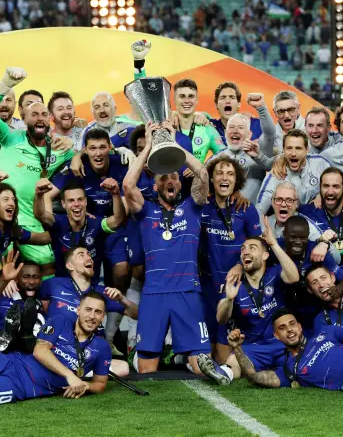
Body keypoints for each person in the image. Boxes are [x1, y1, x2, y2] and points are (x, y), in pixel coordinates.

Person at [122, 121, 229, 380]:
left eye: (174, 177)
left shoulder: (192, 208)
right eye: (163, 178)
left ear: (180, 184)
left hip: (187, 291)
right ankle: (136, 357)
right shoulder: (146, 210)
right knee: (149, 369)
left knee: (198, 361)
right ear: (156, 185)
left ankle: (217, 369)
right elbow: (127, 186)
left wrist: (175, 146)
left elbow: (203, 175)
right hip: (154, 292)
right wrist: (148, 147)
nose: (170, 180)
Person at [0, 68, 74, 277]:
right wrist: (5, 84)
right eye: (33, 114)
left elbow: (78, 161)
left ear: (49, 118)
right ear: (24, 117)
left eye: (43, 114)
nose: (39, 118)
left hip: (31, 219)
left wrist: (73, 149)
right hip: (1, 217)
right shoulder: (11, 137)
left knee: (46, 262)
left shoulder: (59, 148)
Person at [200, 233, 297, 383]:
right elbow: (221, 318)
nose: (246, 252)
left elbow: (294, 277)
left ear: (265, 255)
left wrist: (274, 245)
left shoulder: (275, 273)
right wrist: (229, 299)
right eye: (243, 249)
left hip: (282, 344)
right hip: (253, 348)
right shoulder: (234, 283)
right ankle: (223, 373)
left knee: (299, 365)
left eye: (252, 248)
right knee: (233, 361)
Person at [199, 157, 263, 360]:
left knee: (223, 357)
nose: (224, 177)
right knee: (205, 357)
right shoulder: (202, 206)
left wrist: (240, 266)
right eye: (219, 173)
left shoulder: (246, 208)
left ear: (237, 181)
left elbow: (257, 246)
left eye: (230, 174)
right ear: (211, 178)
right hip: (207, 283)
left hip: (235, 285)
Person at [50, 129, 129, 290]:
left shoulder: (121, 165)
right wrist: (54, 221)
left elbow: (123, 213)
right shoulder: (76, 167)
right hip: (86, 226)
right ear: (86, 149)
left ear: (110, 147)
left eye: (102, 147)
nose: (98, 153)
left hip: (112, 224)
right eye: (92, 148)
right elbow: (47, 194)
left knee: (121, 269)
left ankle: (114, 306)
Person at [40, 246, 136, 377]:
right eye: (81, 255)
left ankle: (68, 371)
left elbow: (135, 314)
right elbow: (40, 301)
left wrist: (123, 299)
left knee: (123, 368)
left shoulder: (103, 293)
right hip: (59, 348)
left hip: (88, 353)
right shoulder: (53, 284)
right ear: (70, 265)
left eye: (89, 255)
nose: (88, 257)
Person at [34, 179, 125, 282]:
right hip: (63, 288)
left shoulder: (97, 224)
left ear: (85, 201)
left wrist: (116, 194)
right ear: (63, 204)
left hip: (91, 289)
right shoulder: (58, 222)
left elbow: (118, 220)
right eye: (71, 200)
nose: (76, 204)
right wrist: (39, 195)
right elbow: (40, 214)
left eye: (80, 199)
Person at [299, 168, 343, 284]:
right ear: (319, 189)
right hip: (324, 282)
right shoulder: (307, 211)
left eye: (336, 186)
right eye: (326, 186)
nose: (330, 192)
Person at [206, 93, 277, 203]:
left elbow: (270, 134)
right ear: (225, 133)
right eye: (231, 127)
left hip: (252, 216)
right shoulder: (216, 158)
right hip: (222, 217)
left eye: (240, 128)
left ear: (249, 134)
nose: (235, 131)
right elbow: (203, 185)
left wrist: (261, 108)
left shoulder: (258, 152)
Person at [257, 130, 331, 214]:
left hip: (321, 219)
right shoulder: (276, 174)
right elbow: (260, 209)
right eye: (289, 148)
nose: (293, 153)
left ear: (307, 150)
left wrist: (325, 194)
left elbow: (341, 185)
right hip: (292, 223)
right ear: (283, 150)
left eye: (298, 148)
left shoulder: (321, 164)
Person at [0, 260, 45, 353]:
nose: (31, 281)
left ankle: (25, 331)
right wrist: (4, 282)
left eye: (35, 277)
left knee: (31, 338)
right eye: (26, 277)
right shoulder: (0, 293)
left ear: (41, 280)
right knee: (3, 334)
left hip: (23, 353)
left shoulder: (39, 306)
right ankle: (9, 332)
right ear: (16, 278)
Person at [269, 91, 306, 155]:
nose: (286, 115)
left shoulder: (312, 130)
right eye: (281, 111)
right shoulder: (269, 137)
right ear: (275, 112)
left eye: (291, 109)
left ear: (298, 108)